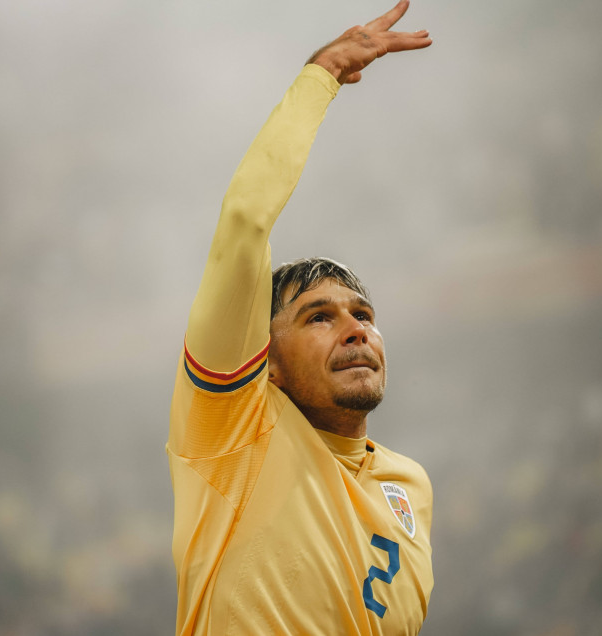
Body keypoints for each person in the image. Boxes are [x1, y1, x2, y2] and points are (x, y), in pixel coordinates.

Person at [168, 2, 433, 634]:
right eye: (317, 317)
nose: (355, 329)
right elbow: (245, 223)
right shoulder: (235, 430)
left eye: (363, 314)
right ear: (268, 361)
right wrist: (323, 73)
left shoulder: (409, 485)